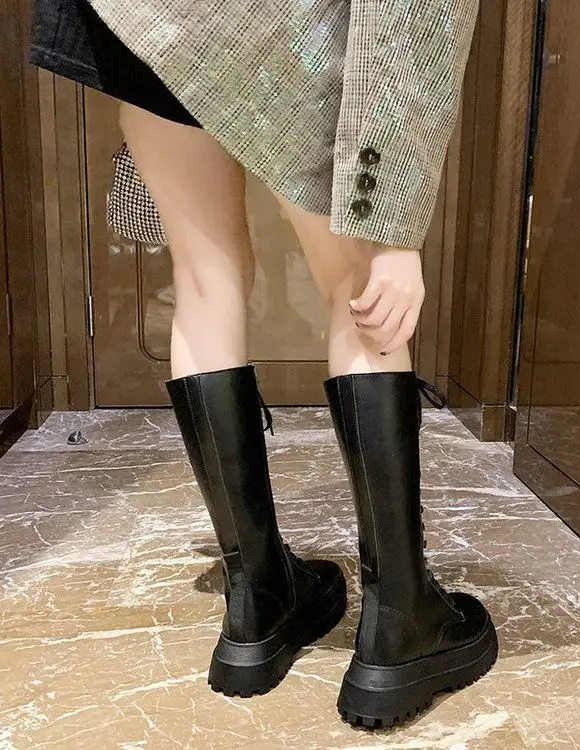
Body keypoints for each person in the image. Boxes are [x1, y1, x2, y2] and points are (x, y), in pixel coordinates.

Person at [30, 0, 498, 728]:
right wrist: (394, 228)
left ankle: (256, 602)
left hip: (155, 23)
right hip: (289, 32)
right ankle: (400, 624)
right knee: (358, 290)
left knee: (203, 280)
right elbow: (411, 17)